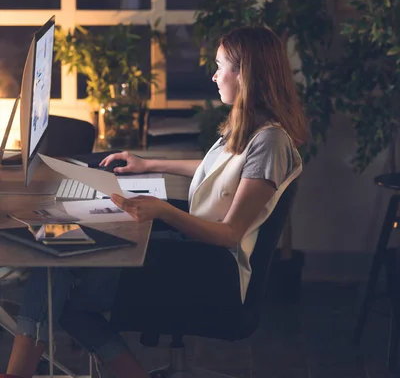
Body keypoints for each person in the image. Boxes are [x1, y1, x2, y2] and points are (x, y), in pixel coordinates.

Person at [2, 25, 307, 378]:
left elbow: (229, 235)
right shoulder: (254, 128)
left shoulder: (269, 143)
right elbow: (219, 171)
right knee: (59, 278)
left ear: (246, 73)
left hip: (206, 272)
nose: (214, 75)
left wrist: (162, 209)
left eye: (221, 65)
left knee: (57, 279)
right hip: (191, 254)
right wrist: (149, 164)